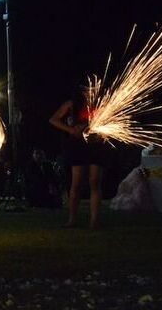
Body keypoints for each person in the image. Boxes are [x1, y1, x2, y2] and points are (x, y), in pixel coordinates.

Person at [49, 89, 107, 229]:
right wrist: (70, 130)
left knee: (94, 181)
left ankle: (94, 221)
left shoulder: (101, 104)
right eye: (88, 89)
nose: (90, 92)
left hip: (95, 146)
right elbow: (53, 120)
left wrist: (102, 133)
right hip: (77, 145)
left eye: (93, 89)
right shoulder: (72, 105)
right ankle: (72, 219)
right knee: (76, 183)